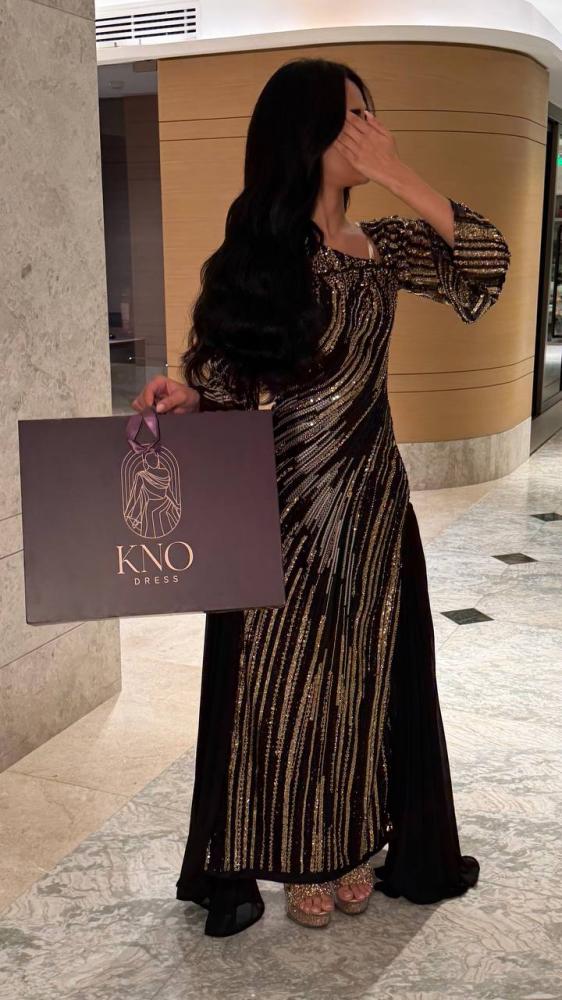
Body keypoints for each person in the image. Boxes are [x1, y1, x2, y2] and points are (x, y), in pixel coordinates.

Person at [132, 57, 511, 936]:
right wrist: (188, 394)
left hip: (373, 498)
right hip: (280, 503)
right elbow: (229, 373)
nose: (368, 130)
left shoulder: (386, 246)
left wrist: (400, 173)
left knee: (367, 673)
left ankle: (351, 844)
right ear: (303, 135)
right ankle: (299, 850)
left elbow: (486, 266)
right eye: (350, 118)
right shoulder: (257, 253)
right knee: (283, 680)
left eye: (371, 115)